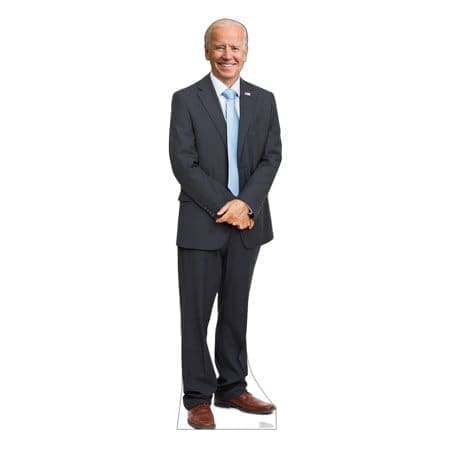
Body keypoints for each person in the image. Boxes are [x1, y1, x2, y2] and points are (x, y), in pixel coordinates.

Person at [169, 18, 282, 430]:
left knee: (236, 309)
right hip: (202, 223)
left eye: (235, 47)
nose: (227, 55)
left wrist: (246, 205)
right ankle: (198, 397)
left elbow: (271, 157)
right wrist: (227, 205)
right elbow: (183, 162)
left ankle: (232, 387)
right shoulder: (186, 99)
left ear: (246, 53)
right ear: (207, 51)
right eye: (219, 47)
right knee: (196, 315)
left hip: (247, 224)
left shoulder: (264, 100)